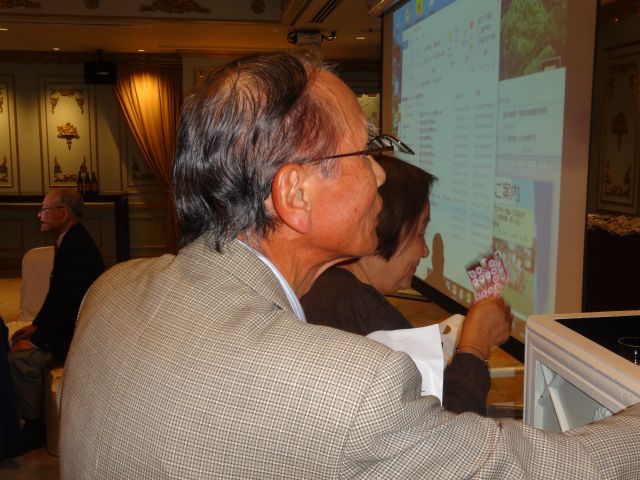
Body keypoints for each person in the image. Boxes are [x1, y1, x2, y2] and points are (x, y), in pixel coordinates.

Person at [59, 52, 640, 479]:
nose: (381, 172)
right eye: (366, 150)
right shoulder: (351, 386)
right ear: (295, 195)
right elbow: (534, 469)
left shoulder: (112, 289)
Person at [301, 155, 510, 415]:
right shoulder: (359, 312)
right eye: (420, 233)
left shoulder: (325, 287)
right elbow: (445, 430)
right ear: (383, 225)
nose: (424, 251)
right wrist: (475, 343)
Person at [9, 188, 104, 454]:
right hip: (68, 328)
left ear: (63, 213)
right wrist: (37, 326)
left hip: (76, 337)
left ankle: (35, 429)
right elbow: (57, 296)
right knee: (18, 346)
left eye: (44, 209)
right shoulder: (71, 239)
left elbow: (67, 305)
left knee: (18, 360)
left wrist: (38, 343)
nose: (39, 215)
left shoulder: (76, 247)